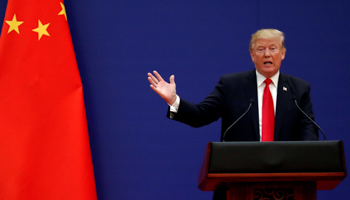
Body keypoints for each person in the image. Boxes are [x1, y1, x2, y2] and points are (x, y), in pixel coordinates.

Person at [147, 29, 319, 199]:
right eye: (261, 49)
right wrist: (173, 100)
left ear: (282, 53)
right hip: (237, 184)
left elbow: (308, 130)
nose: (267, 54)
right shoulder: (231, 85)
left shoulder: (299, 89)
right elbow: (201, 115)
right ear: (252, 55)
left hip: (287, 185)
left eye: (273, 48)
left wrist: (303, 159)